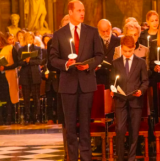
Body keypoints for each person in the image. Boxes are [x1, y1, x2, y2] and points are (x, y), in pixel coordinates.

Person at [50, 1, 104, 160]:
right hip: (68, 85)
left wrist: (88, 65)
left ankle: (86, 157)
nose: (82, 13)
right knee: (70, 126)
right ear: (70, 12)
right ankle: (72, 157)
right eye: (79, 10)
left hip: (86, 83)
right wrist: (65, 64)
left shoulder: (92, 32)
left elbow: (100, 55)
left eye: (83, 10)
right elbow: (52, 59)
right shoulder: (59, 34)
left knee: (86, 125)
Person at [110, 35, 149, 161]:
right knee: (120, 129)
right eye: (125, 51)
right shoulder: (116, 63)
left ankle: (131, 157)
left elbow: (145, 81)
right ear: (121, 48)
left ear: (134, 48)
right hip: (120, 100)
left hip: (135, 100)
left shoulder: (141, 62)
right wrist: (112, 90)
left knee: (134, 130)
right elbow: (112, 81)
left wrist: (141, 90)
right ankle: (120, 157)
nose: (127, 53)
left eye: (130, 51)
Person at [47, 14, 70, 161]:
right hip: (63, 83)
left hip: (81, 84)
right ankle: (67, 150)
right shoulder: (54, 41)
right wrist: (65, 63)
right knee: (65, 120)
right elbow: (50, 63)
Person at [0, 31, 19, 125]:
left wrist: (6, 67)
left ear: (3, 39)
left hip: (7, 75)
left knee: (8, 97)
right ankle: (0, 118)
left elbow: (17, 63)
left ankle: (9, 117)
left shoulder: (10, 48)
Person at [18, 32, 42, 125]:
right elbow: (19, 62)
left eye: (31, 39)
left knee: (36, 97)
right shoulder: (21, 50)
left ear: (33, 39)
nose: (29, 41)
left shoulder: (38, 49)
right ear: (25, 40)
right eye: (27, 39)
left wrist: (30, 61)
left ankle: (36, 116)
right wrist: (25, 61)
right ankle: (27, 116)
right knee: (26, 98)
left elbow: (39, 60)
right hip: (25, 76)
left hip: (35, 75)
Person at [97, 19, 120, 89]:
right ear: (98, 31)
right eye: (103, 31)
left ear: (111, 28)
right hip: (99, 77)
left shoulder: (119, 41)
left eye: (107, 30)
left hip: (114, 77)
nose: (106, 34)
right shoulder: (95, 42)